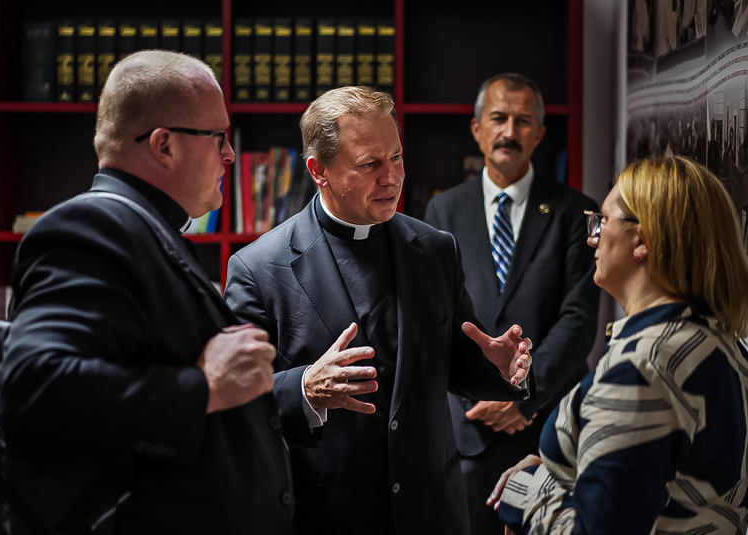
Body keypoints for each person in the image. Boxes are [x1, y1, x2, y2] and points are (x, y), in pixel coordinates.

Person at [0, 50, 293, 534]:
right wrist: (204, 387)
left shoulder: (149, 229)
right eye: (218, 136)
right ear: (164, 145)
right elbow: (36, 388)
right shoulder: (90, 226)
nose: (231, 154)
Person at [223, 85, 534, 535]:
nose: (391, 177)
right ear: (318, 170)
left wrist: (503, 369)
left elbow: (455, 362)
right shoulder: (258, 268)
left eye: (397, 158)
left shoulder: (435, 249)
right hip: (327, 513)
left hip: (432, 511)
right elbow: (234, 401)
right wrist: (305, 388)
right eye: (370, 165)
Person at [490, 156, 748, 535]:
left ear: (641, 239)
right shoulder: (722, 343)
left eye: (603, 221)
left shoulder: (641, 369)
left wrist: (524, 490)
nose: (592, 236)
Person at [424, 72, 600, 535]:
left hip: (550, 428)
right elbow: (434, 317)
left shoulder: (575, 212)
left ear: (540, 133)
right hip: (468, 429)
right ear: (477, 128)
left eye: (523, 121)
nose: (509, 132)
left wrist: (523, 396)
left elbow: (579, 320)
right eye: (498, 118)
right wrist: (481, 392)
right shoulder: (442, 212)